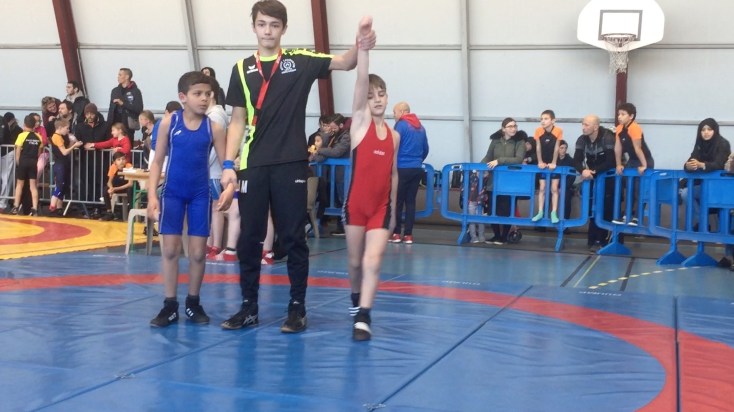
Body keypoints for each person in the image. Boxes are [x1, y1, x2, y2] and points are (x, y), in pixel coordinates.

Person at [219, 0, 376, 333]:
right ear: (254, 27)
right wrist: (229, 164)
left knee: (293, 237)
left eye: (274, 25)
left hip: (291, 164)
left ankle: (297, 308)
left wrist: (360, 42)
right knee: (249, 238)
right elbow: (237, 120)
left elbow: (346, 62)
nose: (268, 31)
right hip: (252, 164)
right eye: (262, 24)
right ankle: (248, 307)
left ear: (284, 29)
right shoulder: (241, 69)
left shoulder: (300, 60)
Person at [147, 71, 231, 328]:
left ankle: (193, 302)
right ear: (183, 97)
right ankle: (170, 304)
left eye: (208, 94)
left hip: (199, 195)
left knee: (197, 253)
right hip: (172, 192)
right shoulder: (168, 123)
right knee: (170, 250)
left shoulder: (213, 128)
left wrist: (229, 188)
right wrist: (152, 196)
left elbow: (226, 164)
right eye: (198, 94)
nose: (204, 99)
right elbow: (157, 161)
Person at [344, 17, 399, 341]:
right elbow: (360, 79)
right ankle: (356, 300)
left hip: (380, 208)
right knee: (354, 263)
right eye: (371, 95)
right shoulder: (359, 125)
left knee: (372, 260)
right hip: (355, 207)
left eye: (382, 94)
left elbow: (393, 174)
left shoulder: (394, 136)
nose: (377, 99)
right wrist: (363, 46)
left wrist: (392, 212)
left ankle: (364, 316)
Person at [204, 77, 239, 262]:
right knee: (212, 208)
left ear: (211, 94)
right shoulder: (212, 114)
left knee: (216, 208)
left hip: (214, 171)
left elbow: (212, 147)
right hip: (212, 170)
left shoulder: (215, 115)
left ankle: (215, 245)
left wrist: (202, 165)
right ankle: (212, 243)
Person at [574, 115, 617, 252]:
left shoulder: (608, 137)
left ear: (596, 127)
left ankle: (604, 240)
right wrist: (583, 170)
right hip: (592, 177)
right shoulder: (582, 139)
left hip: (608, 177)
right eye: (583, 124)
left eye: (586, 125)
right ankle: (592, 239)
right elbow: (576, 160)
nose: (583, 127)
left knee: (606, 208)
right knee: (592, 207)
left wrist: (594, 172)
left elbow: (611, 161)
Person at [481, 117, 526, 244]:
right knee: (492, 210)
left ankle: (504, 236)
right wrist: (479, 167)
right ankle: (496, 235)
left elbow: (518, 159)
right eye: (510, 126)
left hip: (510, 182)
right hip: (494, 181)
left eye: (515, 126)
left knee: (507, 210)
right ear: (503, 129)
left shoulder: (520, 141)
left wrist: (499, 161)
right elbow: (488, 156)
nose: (513, 129)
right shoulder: (495, 141)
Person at [389, 101, 429, 244]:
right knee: (410, 202)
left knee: (397, 201)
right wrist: (417, 160)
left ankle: (396, 234)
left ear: (402, 112)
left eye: (394, 112)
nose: (394, 115)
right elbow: (426, 149)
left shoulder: (400, 125)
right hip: (416, 169)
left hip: (401, 168)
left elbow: (392, 145)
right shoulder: (421, 128)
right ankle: (408, 235)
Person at [681, 118, 731, 229]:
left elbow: (719, 164)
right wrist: (688, 166)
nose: (706, 132)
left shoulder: (723, 144)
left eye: (709, 129)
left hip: (720, 186)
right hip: (704, 185)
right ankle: (703, 223)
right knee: (685, 193)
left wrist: (702, 165)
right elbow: (691, 160)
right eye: (703, 130)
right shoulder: (700, 144)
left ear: (715, 130)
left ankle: (714, 229)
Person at [613, 103, 654, 225]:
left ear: (631, 116)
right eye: (618, 114)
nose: (619, 117)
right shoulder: (619, 128)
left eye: (623, 114)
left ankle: (637, 217)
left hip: (644, 159)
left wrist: (644, 165)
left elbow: (638, 148)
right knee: (629, 188)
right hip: (632, 160)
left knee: (639, 189)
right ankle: (626, 215)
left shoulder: (635, 127)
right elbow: (618, 148)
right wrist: (618, 164)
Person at [312, 114, 351, 236]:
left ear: (341, 125)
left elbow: (336, 152)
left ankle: (346, 227)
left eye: (333, 128)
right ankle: (340, 227)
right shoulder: (332, 136)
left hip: (343, 174)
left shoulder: (346, 137)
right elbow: (323, 151)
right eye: (330, 127)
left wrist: (318, 150)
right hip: (332, 175)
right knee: (336, 201)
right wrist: (324, 136)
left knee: (343, 199)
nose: (331, 130)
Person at [532, 109, 563, 224]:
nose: (543, 121)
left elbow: (557, 147)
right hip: (543, 162)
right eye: (541, 119)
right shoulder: (538, 131)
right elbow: (538, 147)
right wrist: (540, 161)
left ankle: (553, 212)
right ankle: (540, 211)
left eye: (546, 119)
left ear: (553, 121)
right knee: (542, 188)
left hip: (554, 163)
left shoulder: (558, 130)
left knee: (554, 188)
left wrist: (554, 162)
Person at [48, 118, 83, 215]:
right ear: (60, 128)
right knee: (60, 185)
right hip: (60, 164)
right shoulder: (57, 137)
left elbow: (65, 149)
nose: (68, 130)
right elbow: (64, 152)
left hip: (64, 163)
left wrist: (72, 143)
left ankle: (59, 207)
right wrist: (74, 146)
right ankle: (52, 206)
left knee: (64, 186)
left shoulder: (61, 137)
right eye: (67, 128)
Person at [10, 115, 43, 216]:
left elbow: (18, 151)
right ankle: (35, 208)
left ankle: (16, 206)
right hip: (33, 162)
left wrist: (18, 162)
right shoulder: (39, 137)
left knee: (19, 184)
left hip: (23, 161)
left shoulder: (21, 135)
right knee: (33, 186)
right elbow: (39, 152)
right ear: (34, 125)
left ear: (24, 125)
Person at [108, 67, 143, 145]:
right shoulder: (115, 91)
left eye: (120, 75)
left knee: (127, 146)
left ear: (127, 77)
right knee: (115, 147)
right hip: (115, 124)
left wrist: (123, 104)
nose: (118, 77)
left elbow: (139, 108)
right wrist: (108, 124)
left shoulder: (135, 91)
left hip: (128, 125)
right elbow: (111, 109)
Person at [100, 151, 132, 221]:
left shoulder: (129, 166)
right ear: (114, 162)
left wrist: (115, 189)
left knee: (130, 190)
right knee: (105, 189)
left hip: (126, 188)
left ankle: (131, 211)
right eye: (119, 159)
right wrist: (111, 188)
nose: (121, 161)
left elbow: (130, 184)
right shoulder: (113, 167)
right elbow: (109, 182)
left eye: (123, 159)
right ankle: (109, 212)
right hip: (116, 187)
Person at [556, 140, 577, 220]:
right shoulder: (553, 159)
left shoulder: (570, 160)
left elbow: (572, 176)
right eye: (561, 148)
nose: (564, 150)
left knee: (566, 196)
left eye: (565, 148)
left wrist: (563, 187)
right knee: (546, 195)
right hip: (554, 185)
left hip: (565, 186)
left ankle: (565, 221)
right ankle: (543, 222)